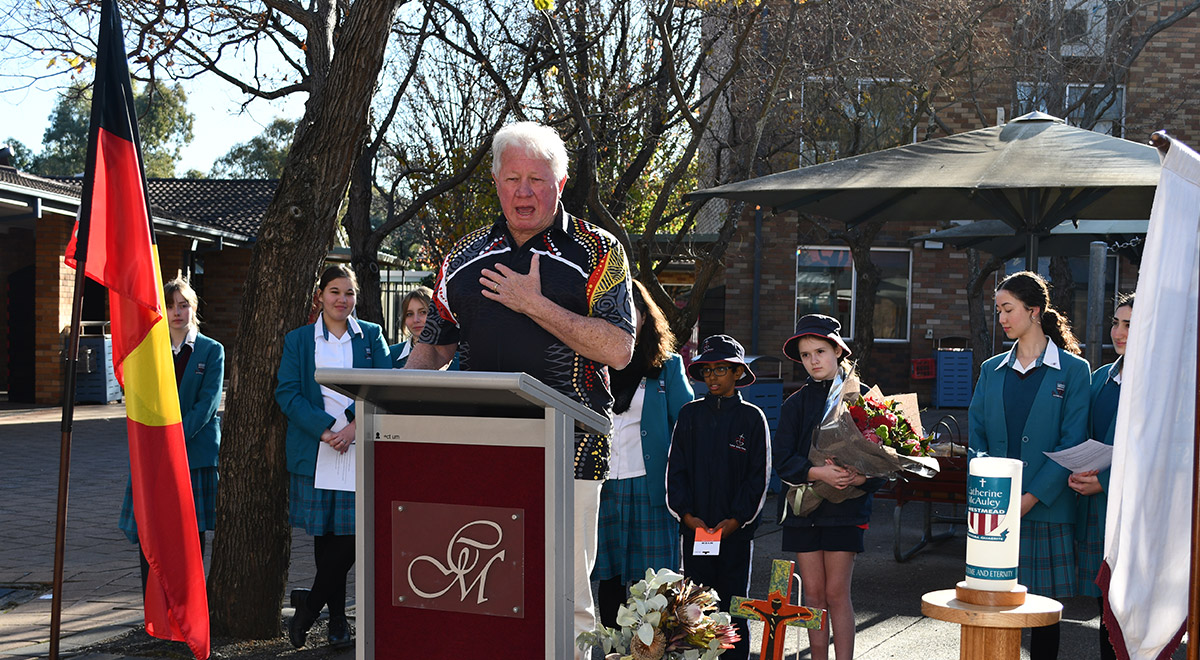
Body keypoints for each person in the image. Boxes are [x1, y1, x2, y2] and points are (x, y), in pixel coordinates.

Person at [405, 121, 635, 655]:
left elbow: (618, 348)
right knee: (486, 584)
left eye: (537, 178)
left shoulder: (599, 250)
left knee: (568, 597)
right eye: (513, 179)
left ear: (561, 182)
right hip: (484, 449)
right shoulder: (460, 257)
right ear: (496, 182)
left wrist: (534, 304)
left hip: (572, 448)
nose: (524, 191)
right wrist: (388, 399)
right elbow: (435, 348)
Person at [968, 271, 1090, 660]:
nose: (1001, 318)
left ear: (1034, 311)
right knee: (995, 611)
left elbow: (1071, 442)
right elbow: (977, 437)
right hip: (994, 514)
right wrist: (996, 497)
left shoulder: (1074, 371)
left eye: (1008, 309)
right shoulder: (991, 369)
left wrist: (1031, 497)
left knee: (1042, 617)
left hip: (1047, 512)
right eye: (998, 310)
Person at [276, 265, 391, 648]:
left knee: (354, 535)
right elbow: (287, 393)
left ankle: (309, 607)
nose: (342, 300)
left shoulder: (372, 336)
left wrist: (353, 428)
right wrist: (326, 429)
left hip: (361, 445)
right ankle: (338, 621)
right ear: (320, 295)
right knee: (327, 538)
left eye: (349, 293)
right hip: (317, 448)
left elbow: (386, 385)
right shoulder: (299, 340)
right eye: (335, 292)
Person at [773, 313, 882, 660]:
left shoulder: (862, 398)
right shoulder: (794, 404)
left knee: (837, 593)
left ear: (838, 351)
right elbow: (782, 459)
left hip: (845, 511)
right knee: (814, 596)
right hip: (804, 509)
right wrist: (819, 474)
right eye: (806, 355)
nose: (813, 360)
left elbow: (887, 458)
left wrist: (862, 477)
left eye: (820, 351)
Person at [593, 280, 694, 627]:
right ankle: (611, 648)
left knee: (653, 585)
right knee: (608, 580)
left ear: (644, 316)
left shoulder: (666, 365)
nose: (623, 315)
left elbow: (687, 425)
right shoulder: (592, 363)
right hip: (603, 487)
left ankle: (652, 652)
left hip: (650, 490)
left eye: (630, 308)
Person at [665, 334, 771, 660]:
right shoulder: (689, 415)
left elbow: (759, 478)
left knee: (734, 606)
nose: (712, 377)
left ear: (738, 372)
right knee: (695, 607)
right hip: (695, 530)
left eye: (721, 369)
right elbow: (675, 471)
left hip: (735, 533)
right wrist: (686, 516)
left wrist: (736, 520)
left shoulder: (752, 418)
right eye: (707, 370)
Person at [118, 276, 224, 595]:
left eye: (184, 305)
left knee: (189, 533)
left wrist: (175, 438)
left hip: (196, 454)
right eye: (171, 306)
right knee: (153, 529)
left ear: (194, 308)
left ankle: (186, 599)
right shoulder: (150, 350)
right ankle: (154, 599)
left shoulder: (212, 350)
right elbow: (139, 396)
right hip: (155, 453)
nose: (177, 312)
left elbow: (208, 404)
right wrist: (159, 439)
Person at [1071, 292, 1133, 660]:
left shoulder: (1159, 387)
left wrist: (1105, 482)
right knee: (1104, 614)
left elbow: (1159, 458)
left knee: (1131, 618)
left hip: (1131, 518)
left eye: (1128, 324)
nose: (1119, 331)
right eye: (1115, 322)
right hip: (1095, 516)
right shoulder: (1099, 379)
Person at [389, 286, 432, 368]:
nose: (416, 320)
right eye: (409, 314)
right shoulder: (390, 354)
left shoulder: (456, 356)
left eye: (423, 312)